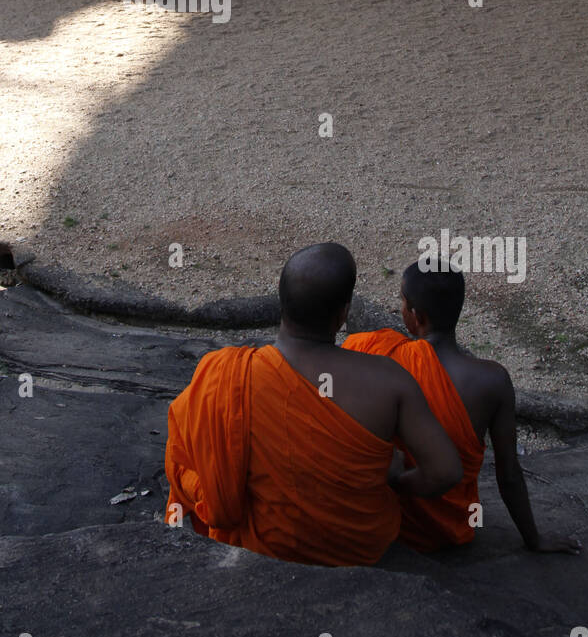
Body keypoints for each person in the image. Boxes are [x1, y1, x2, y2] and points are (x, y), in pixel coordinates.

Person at [165, 242, 462, 566]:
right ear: (343, 313)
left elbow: (188, 446)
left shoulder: (225, 372)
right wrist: (394, 481)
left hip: (264, 551)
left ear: (282, 302)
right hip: (357, 550)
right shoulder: (390, 381)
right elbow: (445, 472)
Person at [344, 261, 581, 554]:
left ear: (416, 316)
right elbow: (508, 473)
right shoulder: (492, 380)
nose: (400, 309)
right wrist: (534, 539)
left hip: (389, 524)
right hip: (452, 527)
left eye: (402, 302)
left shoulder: (380, 355)